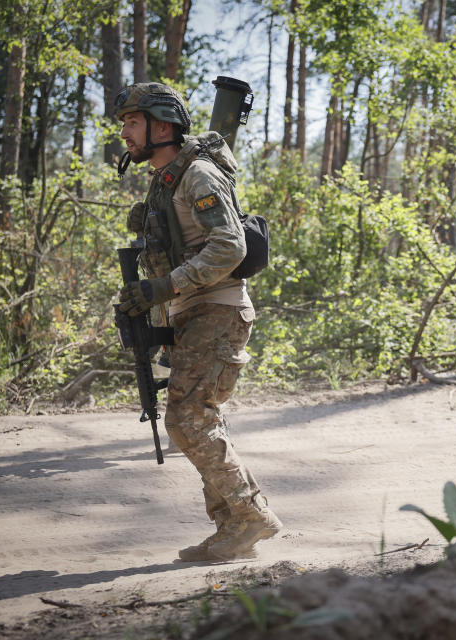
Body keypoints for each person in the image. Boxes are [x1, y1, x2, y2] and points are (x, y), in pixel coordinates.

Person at [114, 82, 282, 560]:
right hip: (194, 312)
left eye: (132, 121)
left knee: (188, 419)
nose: (124, 132)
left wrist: (164, 288)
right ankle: (235, 525)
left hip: (218, 308)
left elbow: (231, 245)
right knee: (198, 419)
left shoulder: (198, 175)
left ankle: (250, 517)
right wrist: (151, 309)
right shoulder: (166, 179)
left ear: (161, 126)